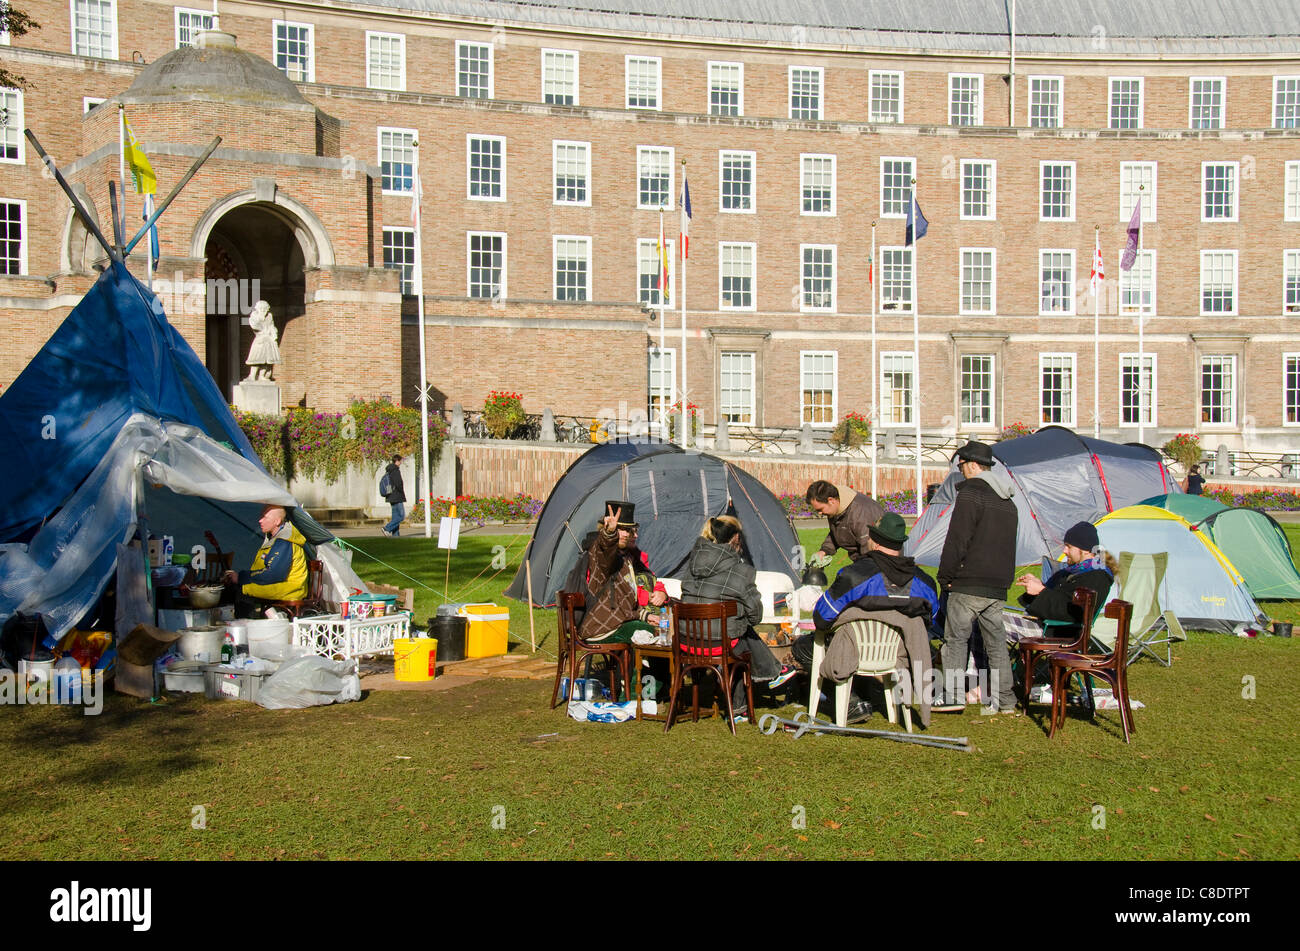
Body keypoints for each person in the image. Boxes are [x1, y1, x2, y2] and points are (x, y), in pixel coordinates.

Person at [790, 513, 940, 725]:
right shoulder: (925, 583)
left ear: (876, 541)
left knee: (803, 646)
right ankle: (869, 694)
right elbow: (929, 623)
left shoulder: (854, 575)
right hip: (898, 653)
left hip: (853, 651)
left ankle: (851, 702)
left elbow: (822, 617)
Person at [936, 440, 1020, 715]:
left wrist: (945, 575)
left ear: (972, 464)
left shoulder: (972, 492)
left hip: (968, 581)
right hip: (997, 584)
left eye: (961, 467)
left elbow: (957, 539)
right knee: (996, 644)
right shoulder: (1007, 499)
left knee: (955, 641)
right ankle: (1005, 700)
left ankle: (952, 697)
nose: (960, 472)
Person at [678, 515, 785, 719]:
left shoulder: (692, 566)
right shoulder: (742, 572)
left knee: (735, 629)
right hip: (720, 645)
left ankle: (771, 672)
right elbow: (756, 616)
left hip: (687, 642)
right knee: (740, 633)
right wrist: (740, 616)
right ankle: (746, 698)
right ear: (736, 538)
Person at [579, 502, 667, 644]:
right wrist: (609, 533)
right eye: (622, 529)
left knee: (659, 629)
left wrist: (645, 615)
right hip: (600, 627)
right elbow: (605, 549)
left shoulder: (626, 557)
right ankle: (632, 667)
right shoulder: (599, 551)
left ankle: (633, 666)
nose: (627, 534)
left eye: (628, 530)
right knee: (647, 632)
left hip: (617, 621)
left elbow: (625, 604)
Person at [1016, 521, 1118, 635]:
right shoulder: (1070, 572)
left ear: (1084, 550)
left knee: (995, 625)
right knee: (995, 620)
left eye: (1069, 547)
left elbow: (1074, 613)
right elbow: (1058, 597)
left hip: (1058, 632)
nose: (1064, 551)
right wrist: (1037, 586)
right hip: (1046, 625)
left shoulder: (1098, 577)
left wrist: (1040, 590)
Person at [222, 504, 309, 617]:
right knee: (235, 587)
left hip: (290, 588)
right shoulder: (275, 538)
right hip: (281, 584)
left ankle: (246, 625)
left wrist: (241, 577)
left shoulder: (284, 542)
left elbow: (274, 574)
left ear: (277, 521)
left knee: (241, 589)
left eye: (265, 517)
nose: (260, 521)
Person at [805, 480, 886, 566]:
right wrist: (824, 551)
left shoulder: (861, 512)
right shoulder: (836, 508)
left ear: (831, 500)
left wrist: (861, 571)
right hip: (864, 559)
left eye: (820, 509)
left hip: (882, 562)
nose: (819, 513)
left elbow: (869, 548)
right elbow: (838, 531)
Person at [381, 455, 406, 537]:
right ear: (397, 461)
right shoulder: (395, 470)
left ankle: (396, 535)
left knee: (395, 516)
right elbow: (398, 483)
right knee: (401, 516)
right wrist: (402, 492)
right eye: (401, 461)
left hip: (391, 496)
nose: (401, 462)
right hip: (397, 496)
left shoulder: (389, 470)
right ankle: (387, 528)